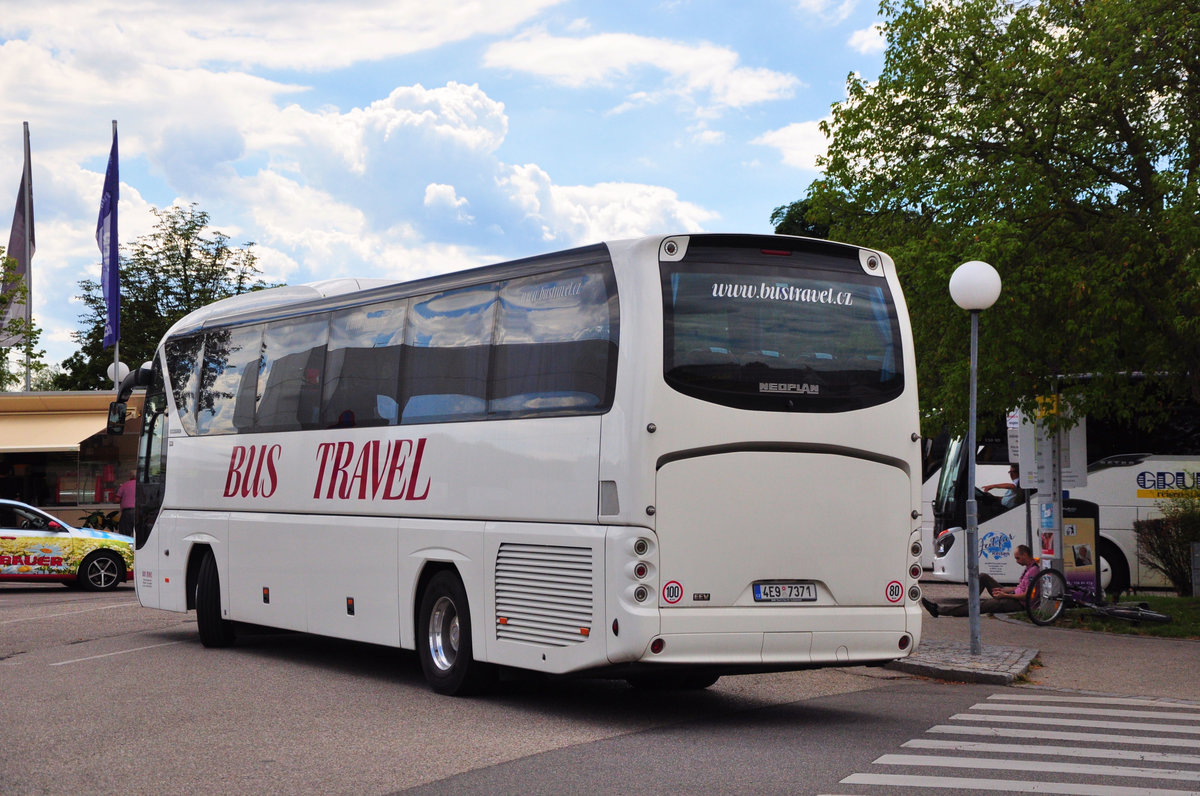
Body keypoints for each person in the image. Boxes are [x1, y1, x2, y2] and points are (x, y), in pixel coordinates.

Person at [921, 544, 1039, 617]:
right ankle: (968, 605)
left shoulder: (1033, 571)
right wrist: (1004, 590)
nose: (1017, 561)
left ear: (1025, 555)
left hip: (1017, 603)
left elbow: (1026, 596)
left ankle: (939, 610)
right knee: (983, 577)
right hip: (1012, 595)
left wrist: (1005, 596)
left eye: (1018, 558)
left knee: (981, 606)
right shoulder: (1028, 568)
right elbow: (1019, 588)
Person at [115, 470, 136, 537]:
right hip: (139, 513)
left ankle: (126, 547)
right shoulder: (141, 485)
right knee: (139, 534)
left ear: (130, 476)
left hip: (127, 513)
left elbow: (117, 499)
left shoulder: (125, 485)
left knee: (125, 535)